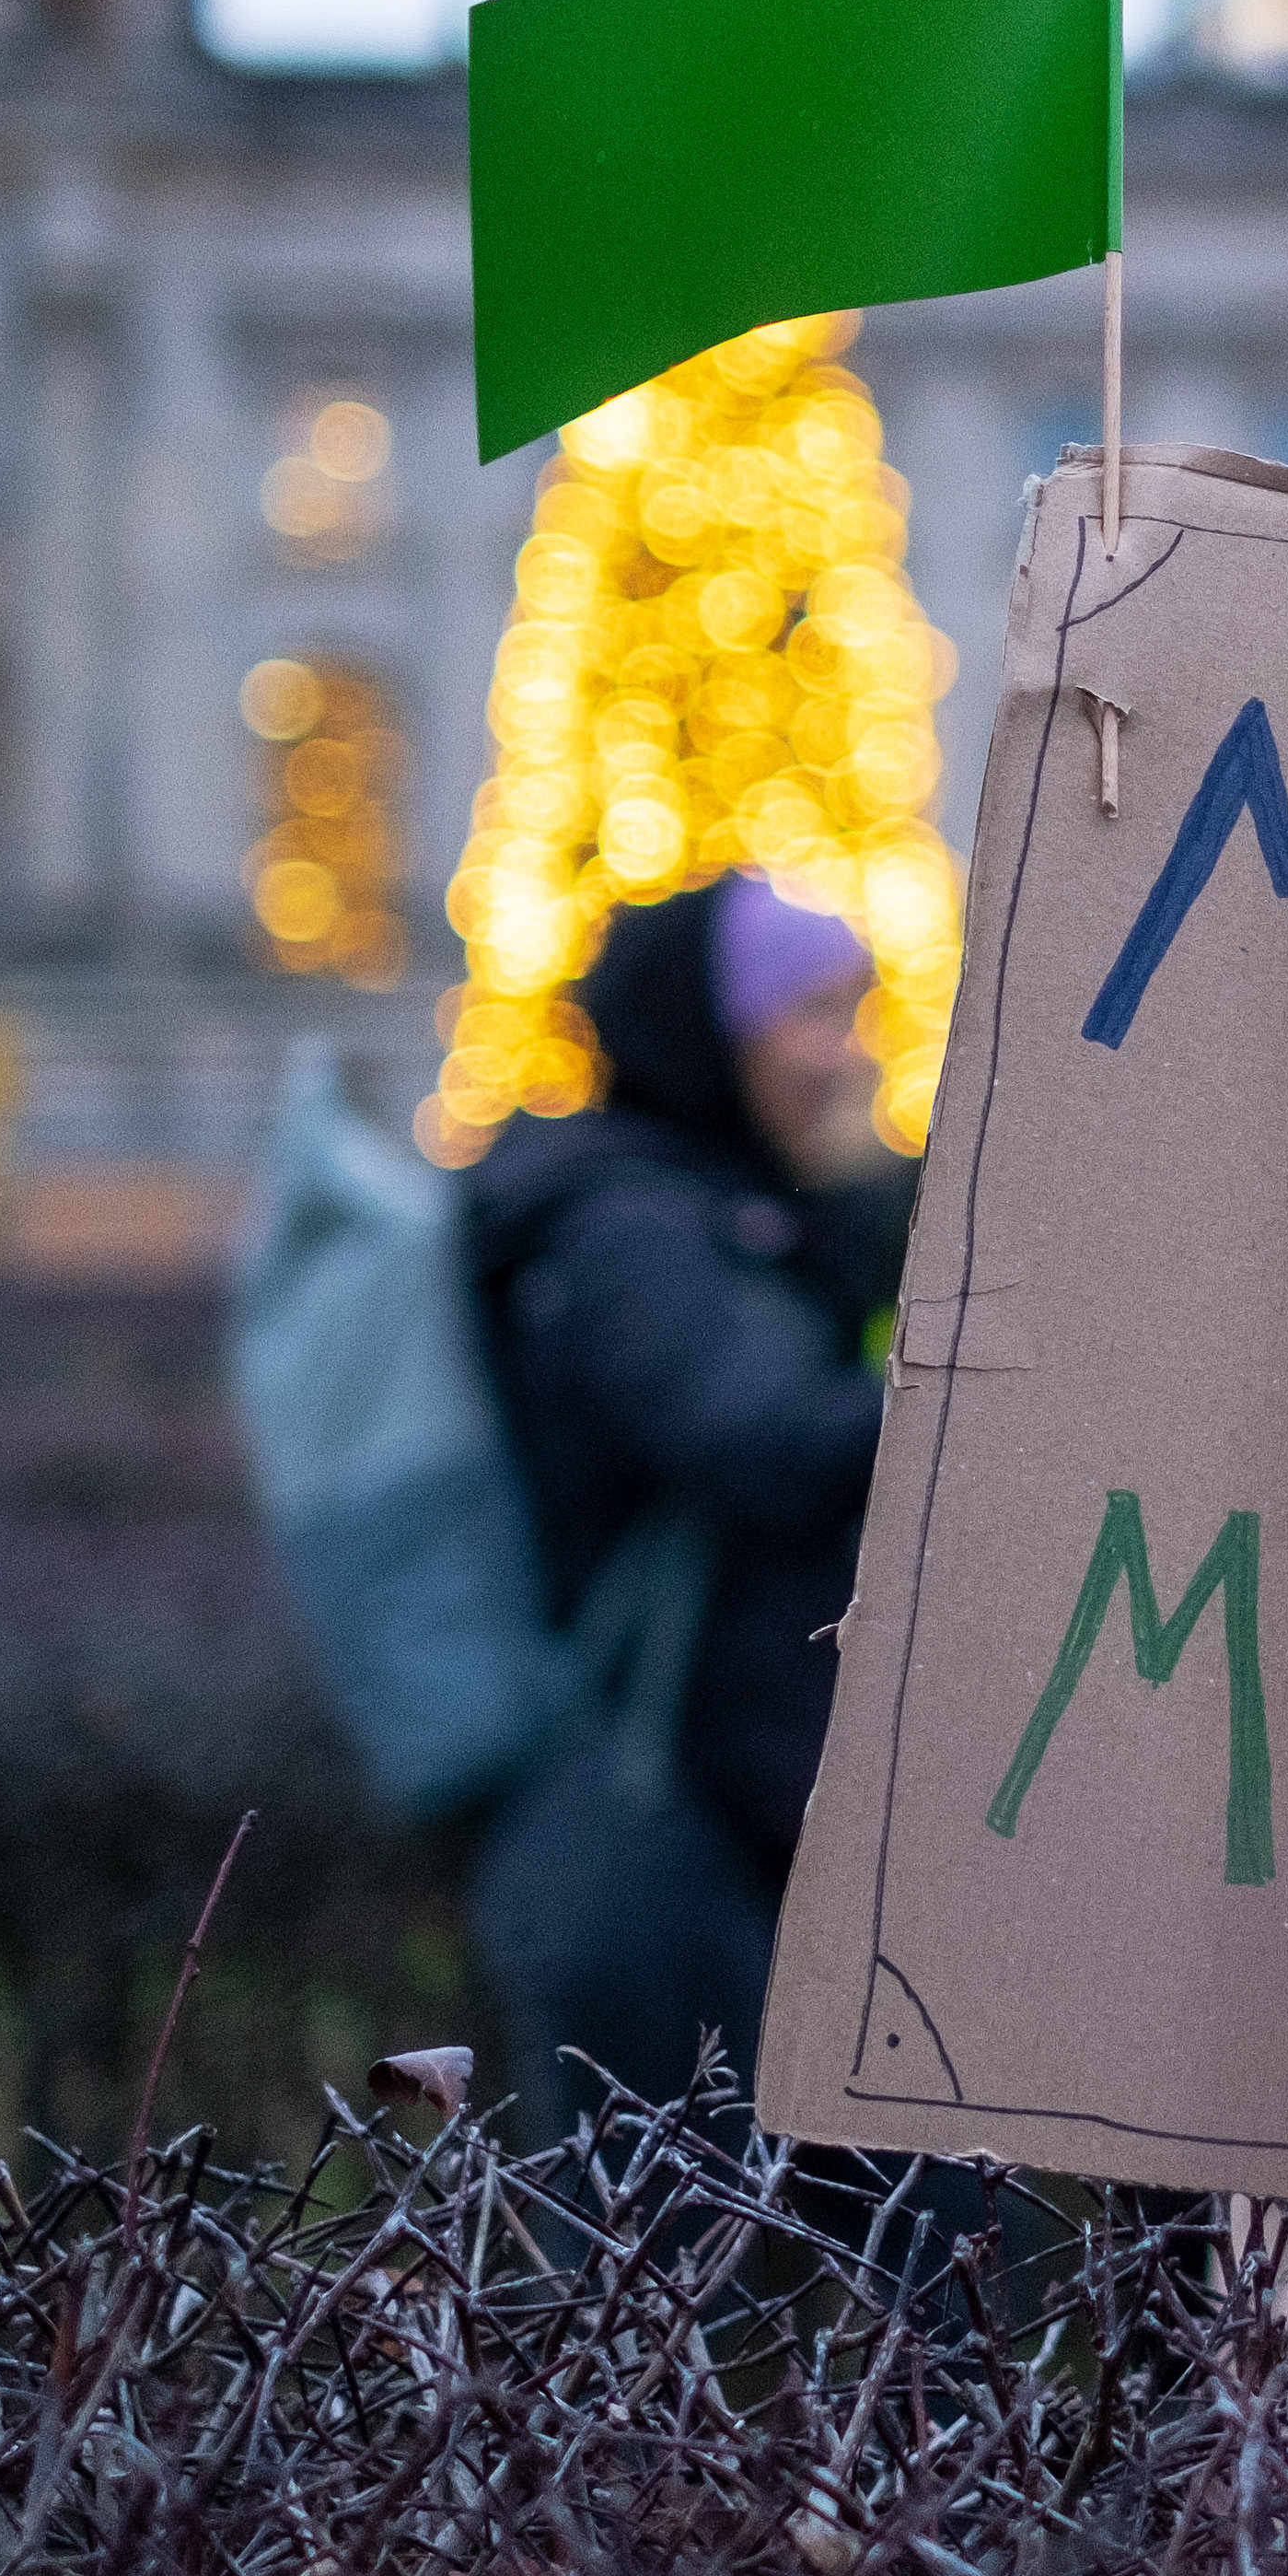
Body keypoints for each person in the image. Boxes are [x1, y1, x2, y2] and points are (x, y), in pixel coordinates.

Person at [462, 875, 914, 2139]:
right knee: (653, 2258)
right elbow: (764, 1436)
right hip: (663, 1823)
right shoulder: (625, 1225)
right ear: (710, 1027)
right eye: (815, 1014)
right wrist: (972, 1393)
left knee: (923, 2258)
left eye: (856, 1010)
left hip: (760, 1802)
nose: (850, 1050)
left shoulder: (747, 1203)